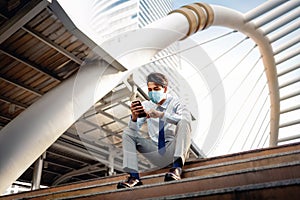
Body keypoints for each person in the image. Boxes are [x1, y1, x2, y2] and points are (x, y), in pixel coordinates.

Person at [117, 72, 192, 189]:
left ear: (165, 89)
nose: (152, 92)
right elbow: (133, 131)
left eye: (156, 89)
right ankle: (133, 177)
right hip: (155, 152)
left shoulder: (177, 103)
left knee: (184, 122)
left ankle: (177, 168)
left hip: (173, 149)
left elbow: (186, 119)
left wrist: (161, 115)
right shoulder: (146, 105)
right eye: (150, 89)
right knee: (127, 132)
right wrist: (134, 117)